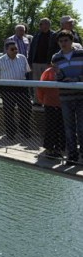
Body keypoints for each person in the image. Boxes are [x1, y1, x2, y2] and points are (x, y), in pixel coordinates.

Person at [51, 30, 83, 163]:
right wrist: (60, 75)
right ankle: (72, 156)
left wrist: (75, 79)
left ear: (72, 41)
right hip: (65, 97)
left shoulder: (81, 54)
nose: (63, 43)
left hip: (81, 96)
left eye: (66, 40)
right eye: (61, 41)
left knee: (82, 127)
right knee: (69, 128)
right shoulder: (55, 58)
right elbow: (58, 78)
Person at [0, 40, 32, 140]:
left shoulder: (22, 58)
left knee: (26, 109)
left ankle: (24, 129)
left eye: (16, 48)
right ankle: (10, 132)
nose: (15, 51)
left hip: (22, 87)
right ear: (6, 50)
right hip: (7, 89)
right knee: (9, 111)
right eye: (12, 49)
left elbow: (27, 72)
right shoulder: (0, 60)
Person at [37, 63, 65, 158]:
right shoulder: (47, 72)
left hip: (63, 104)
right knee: (50, 127)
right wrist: (42, 100)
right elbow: (41, 88)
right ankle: (49, 149)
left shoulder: (65, 71)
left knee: (61, 127)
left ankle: (59, 149)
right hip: (50, 104)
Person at [27, 18, 54, 104]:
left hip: (48, 64)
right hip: (36, 63)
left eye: (46, 23)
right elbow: (31, 50)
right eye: (42, 24)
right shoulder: (37, 35)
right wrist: (30, 63)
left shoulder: (54, 35)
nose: (44, 26)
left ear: (49, 25)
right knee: (36, 83)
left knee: (48, 84)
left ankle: (47, 102)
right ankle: (37, 101)